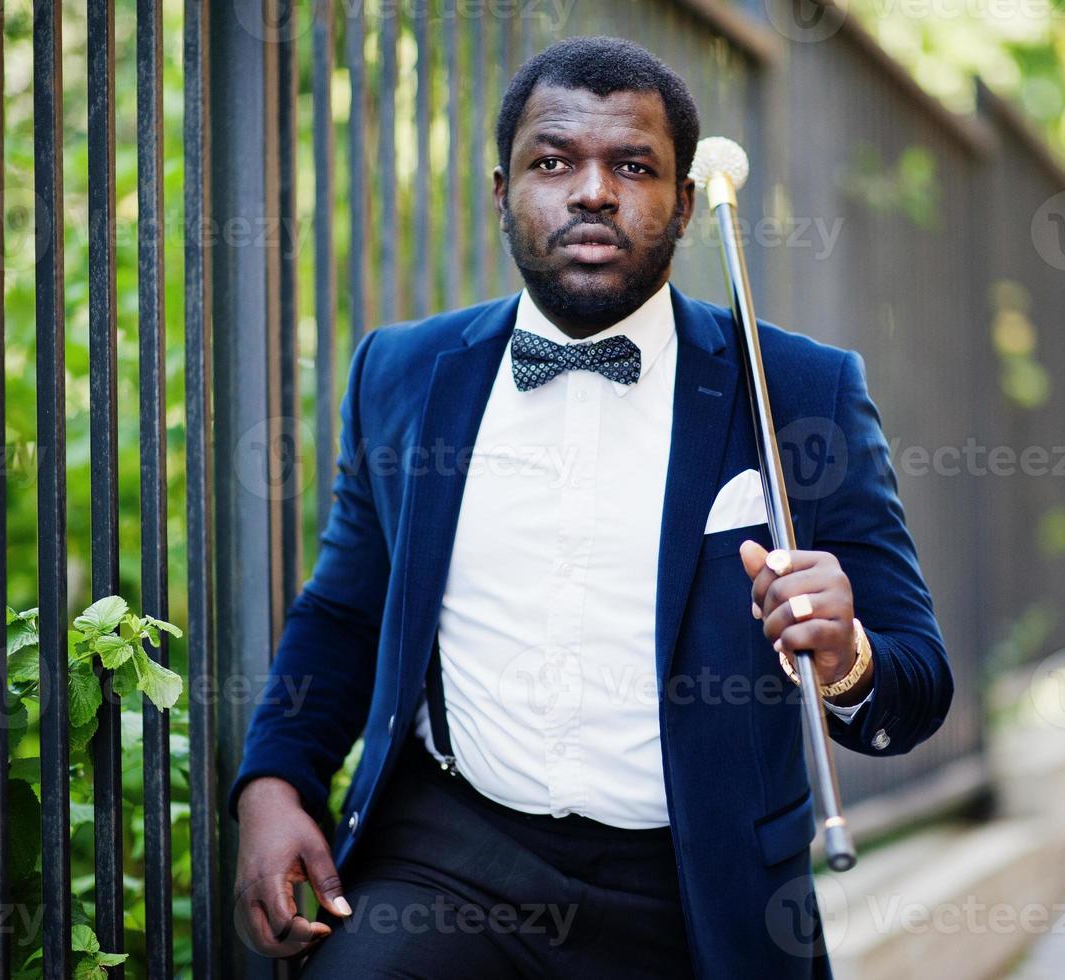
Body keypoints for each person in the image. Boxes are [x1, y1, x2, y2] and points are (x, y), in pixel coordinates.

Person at [229, 35, 952, 978]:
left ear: (684, 203)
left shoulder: (798, 393)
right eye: (554, 160)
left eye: (634, 166)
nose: (593, 191)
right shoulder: (403, 373)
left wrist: (846, 656)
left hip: (697, 883)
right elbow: (342, 613)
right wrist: (273, 784)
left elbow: (915, 684)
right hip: (451, 856)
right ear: (502, 191)